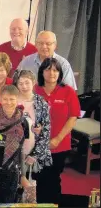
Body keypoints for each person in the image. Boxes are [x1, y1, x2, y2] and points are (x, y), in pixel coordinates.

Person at [34, 58, 80, 205]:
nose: (51, 73)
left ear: (60, 73)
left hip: (59, 145)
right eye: (48, 69)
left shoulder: (68, 91)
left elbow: (73, 117)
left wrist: (57, 139)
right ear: (42, 72)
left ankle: (53, 204)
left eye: (55, 70)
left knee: (54, 179)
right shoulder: (35, 90)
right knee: (38, 179)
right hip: (37, 146)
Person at [14, 70, 52, 174]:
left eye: (27, 83)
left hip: (33, 152)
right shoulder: (11, 100)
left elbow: (46, 130)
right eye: (20, 83)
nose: (24, 86)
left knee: (31, 187)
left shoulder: (41, 103)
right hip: (13, 152)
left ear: (33, 82)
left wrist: (35, 155)